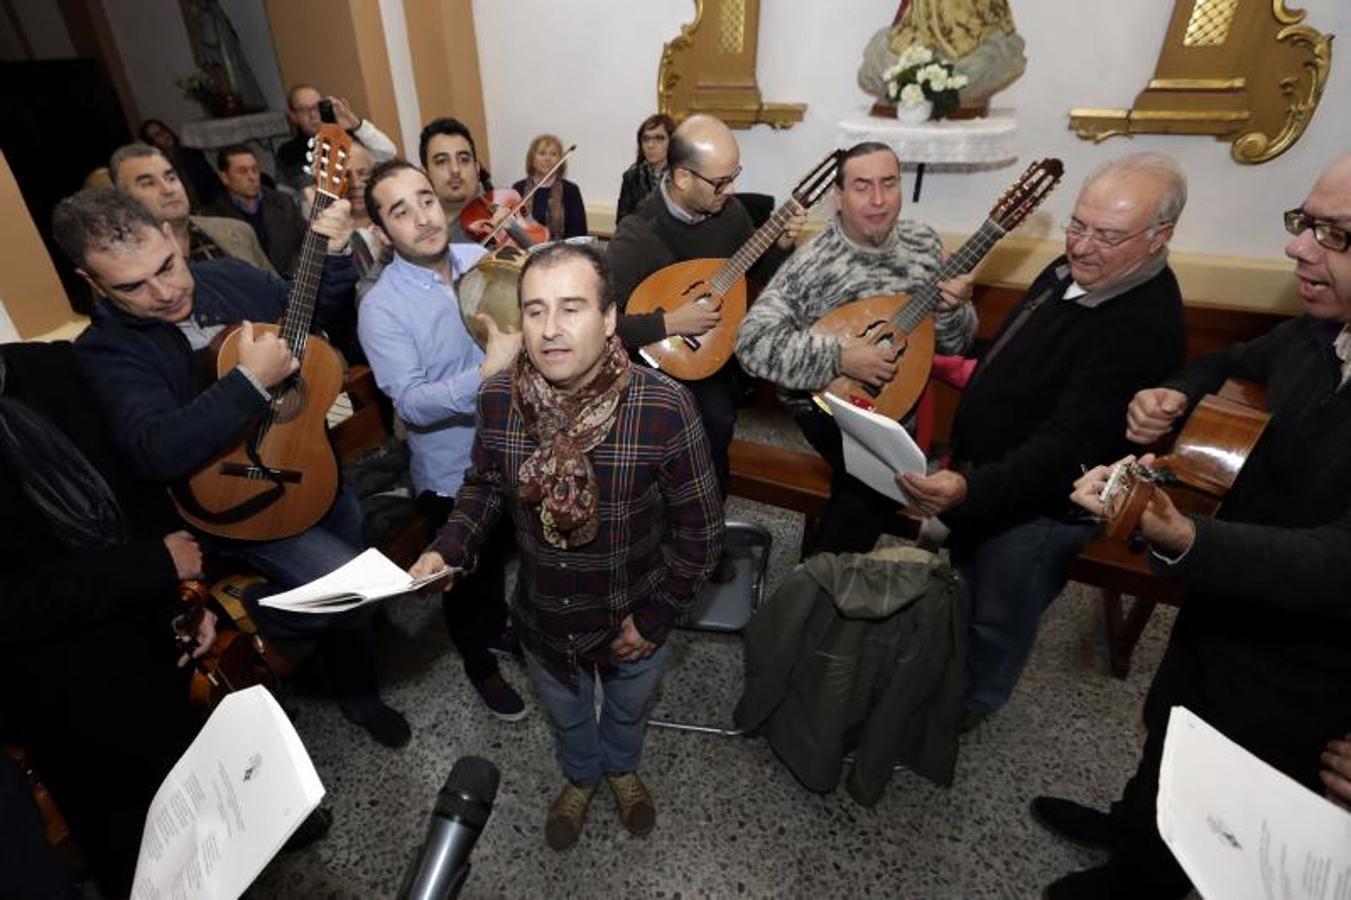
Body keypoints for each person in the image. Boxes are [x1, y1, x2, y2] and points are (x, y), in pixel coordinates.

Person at [1041, 153, 1351, 899]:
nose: (1297, 248)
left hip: (1309, 663)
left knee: (1237, 800)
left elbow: (1340, 560)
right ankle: (1133, 828)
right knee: (1177, 722)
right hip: (1228, 607)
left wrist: (1185, 537)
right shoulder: (1318, 334)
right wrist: (1170, 395)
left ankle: (1142, 883)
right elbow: (1230, 361)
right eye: (1304, 223)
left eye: (1335, 235)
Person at [54, 188, 411, 749]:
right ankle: (259, 612)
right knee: (352, 591)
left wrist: (336, 256)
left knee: (351, 597)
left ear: (173, 237)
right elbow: (154, 449)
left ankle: (360, 696)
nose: (164, 291)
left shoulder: (226, 277)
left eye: (166, 266)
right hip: (239, 510)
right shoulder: (105, 352)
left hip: (311, 467)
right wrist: (247, 383)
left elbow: (308, 312)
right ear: (92, 283)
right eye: (131, 286)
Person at [409, 243, 723, 851]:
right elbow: (483, 486)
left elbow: (702, 533)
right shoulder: (499, 399)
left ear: (609, 321)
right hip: (545, 616)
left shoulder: (664, 409)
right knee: (568, 713)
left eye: (571, 308)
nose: (550, 329)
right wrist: (450, 548)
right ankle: (581, 775)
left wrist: (656, 616)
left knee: (627, 709)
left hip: (633, 614)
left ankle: (622, 769)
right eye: (534, 310)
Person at [899, 152, 1188, 722]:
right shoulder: (1069, 270)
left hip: (1039, 512)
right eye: (1077, 225)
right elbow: (1009, 354)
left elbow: (1066, 451)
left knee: (997, 617)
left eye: (1107, 235)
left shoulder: (1141, 327)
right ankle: (937, 682)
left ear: (1160, 237)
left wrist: (970, 490)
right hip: (990, 475)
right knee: (962, 589)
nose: (1081, 247)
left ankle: (966, 712)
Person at [0, 339, 216, 897]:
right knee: (145, 855)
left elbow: (136, 485)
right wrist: (150, 566)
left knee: (208, 803)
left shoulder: (45, 364)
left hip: (154, 625)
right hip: (65, 686)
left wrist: (187, 597)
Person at [736, 141, 977, 554]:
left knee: (879, 485)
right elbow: (752, 343)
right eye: (862, 186)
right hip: (828, 405)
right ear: (838, 196)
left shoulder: (923, 244)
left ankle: (817, 583)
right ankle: (822, 586)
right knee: (881, 485)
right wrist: (840, 358)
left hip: (903, 398)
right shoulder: (812, 265)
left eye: (889, 184)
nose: (879, 200)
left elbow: (958, 341)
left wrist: (955, 309)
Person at [358, 159, 527, 720]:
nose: (423, 218)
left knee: (507, 552)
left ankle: (501, 631)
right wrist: (485, 375)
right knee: (466, 580)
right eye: (400, 211)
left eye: (425, 199)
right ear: (382, 232)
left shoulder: (481, 260)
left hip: (516, 447)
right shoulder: (381, 308)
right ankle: (480, 664)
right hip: (454, 470)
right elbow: (409, 403)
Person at [606, 113, 804, 498]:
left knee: (716, 424)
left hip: (712, 358)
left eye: (734, 176)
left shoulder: (728, 214)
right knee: (695, 425)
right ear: (682, 178)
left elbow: (756, 272)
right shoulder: (637, 237)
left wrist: (781, 246)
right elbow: (601, 323)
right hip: (655, 367)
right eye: (721, 182)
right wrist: (668, 323)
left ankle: (708, 518)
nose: (731, 191)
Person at [110, 142, 274, 272]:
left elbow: (282, 298)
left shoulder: (238, 231)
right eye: (148, 183)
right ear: (125, 200)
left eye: (171, 178)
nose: (168, 189)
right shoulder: (121, 262)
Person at [203, 144, 307, 275]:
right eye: (242, 171)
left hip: (293, 280)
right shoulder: (214, 216)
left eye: (255, 169)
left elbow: (304, 242)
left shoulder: (284, 202)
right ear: (225, 177)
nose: (252, 177)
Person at [276, 85, 396, 193]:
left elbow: (388, 154)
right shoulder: (287, 153)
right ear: (293, 116)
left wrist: (354, 122)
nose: (313, 115)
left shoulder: (347, 135)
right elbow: (285, 197)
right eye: (303, 110)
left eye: (317, 107)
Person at [419, 116, 499, 245]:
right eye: (441, 161)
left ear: (477, 169)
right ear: (424, 174)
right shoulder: (414, 231)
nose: (455, 169)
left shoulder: (501, 216)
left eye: (464, 159)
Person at [512, 133, 587, 240]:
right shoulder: (518, 188)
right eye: (542, 153)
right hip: (524, 252)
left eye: (553, 154)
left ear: (560, 160)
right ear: (532, 159)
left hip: (560, 253)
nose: (548, 158)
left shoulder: (570, 190)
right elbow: (511, 230)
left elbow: (579, 232)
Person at [138, 117, 223, 209]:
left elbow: (211, 181)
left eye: (163, 130)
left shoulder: (190, 152)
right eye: (157, 135)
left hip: (214, 201)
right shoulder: (159, 165)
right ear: (152, 143)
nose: (164, 135)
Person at [616, 113, 675, 223]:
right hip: (641, 238)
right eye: (646, 139)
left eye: (659, 138)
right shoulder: (632, 177)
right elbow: (622, 222)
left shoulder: (683, 175)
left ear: (672, 141)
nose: (650, 145)